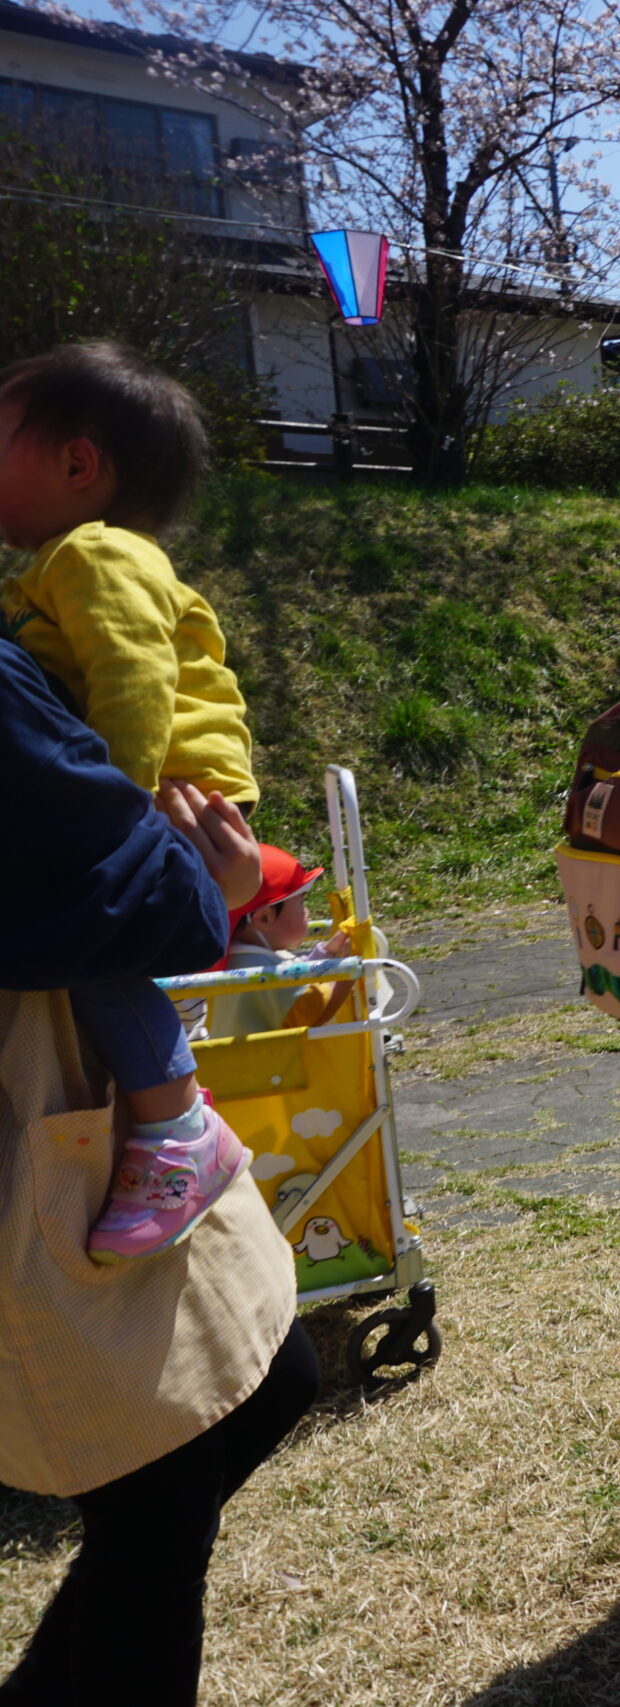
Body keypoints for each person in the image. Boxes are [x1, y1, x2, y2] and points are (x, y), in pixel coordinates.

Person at [0, 633, 313, 1707]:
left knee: (262, 1396)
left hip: (79, 1091)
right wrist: (204, 884)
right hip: (38, 1095)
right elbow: (114, 883)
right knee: (155, 1497)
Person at [0, 343, 257, 1265]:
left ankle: (178, 1123)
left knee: (99, 953)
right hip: (154, 792)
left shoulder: (93, 552)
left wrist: (124, 812)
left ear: (77, 465)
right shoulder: (73, 557)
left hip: (164, 790)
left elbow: (135, 676)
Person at [204, 845, 356, 1040]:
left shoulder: (234, 957)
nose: (307, 911)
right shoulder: (265, 971)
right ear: (264, 918)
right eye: (300, 903)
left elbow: (297, 977)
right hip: (271, 1068)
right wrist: (347, 970)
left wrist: (326, 953)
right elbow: (317, 1009)